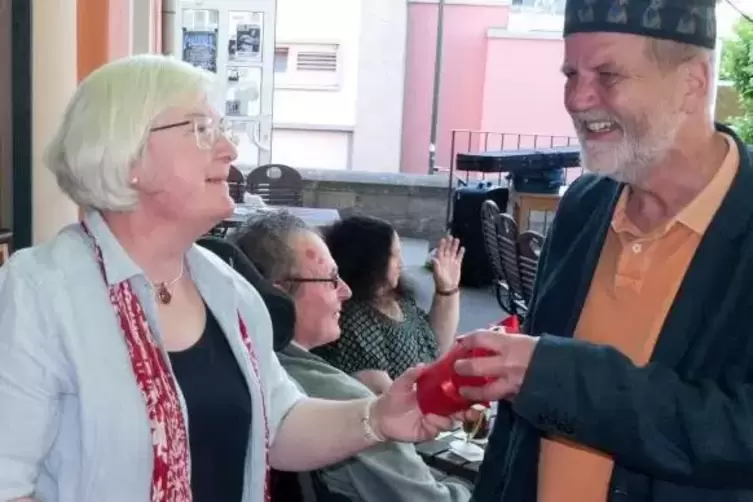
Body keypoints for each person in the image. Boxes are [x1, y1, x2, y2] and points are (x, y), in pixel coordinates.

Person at [0, 54, 462, 502]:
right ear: (128, 158)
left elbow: (279, 423)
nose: (229, 148)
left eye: (219, 128)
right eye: (202, 129)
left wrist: (379, 417)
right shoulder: (41, 293)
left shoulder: (224, 283)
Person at [450, 1, 753, 501]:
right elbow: (521, 428)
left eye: (608, 74)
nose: (576, 97)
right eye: (570, 72)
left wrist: (554, 374)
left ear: (693, 82)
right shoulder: (585, 204)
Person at [234, 210, 472, 502]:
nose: (345, 291)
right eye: (331, 279)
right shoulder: (340, 397)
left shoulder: (242, 361)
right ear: (278, 296)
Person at [316, 215, 464, 394]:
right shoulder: (354, 320)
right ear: (371, 262)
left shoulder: (396, 299)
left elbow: (436, 347)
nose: (401, 264)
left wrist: (447, 289)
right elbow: (387, 397)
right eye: (394, 256)